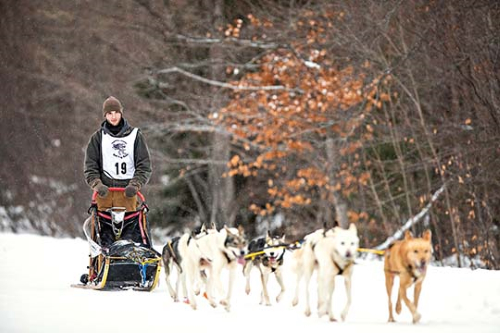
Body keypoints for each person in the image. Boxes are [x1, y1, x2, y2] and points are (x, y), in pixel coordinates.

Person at [84, 96, 152, 245]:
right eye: (109, 113)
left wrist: (135, 185)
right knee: (104, 239)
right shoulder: (97, 138)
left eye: (116, 112)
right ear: (105, 116)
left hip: (128, 195)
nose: (113, 116)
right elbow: (90, 168)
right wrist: (97, 185)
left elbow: (144, 166)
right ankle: (103, 262)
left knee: (129, 240)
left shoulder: (135, 136)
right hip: (105, 195)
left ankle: (128, 265)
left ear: (121, 113)